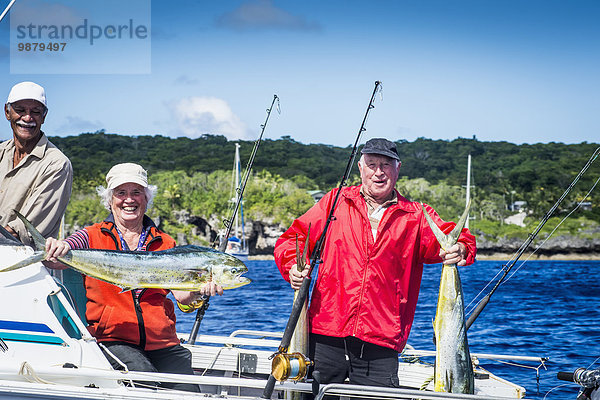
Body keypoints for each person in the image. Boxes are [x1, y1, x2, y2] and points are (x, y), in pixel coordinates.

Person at [274, 138, 477, 389]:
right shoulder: (334, 202)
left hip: (381, 339)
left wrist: (461, 248)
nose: (378, 172)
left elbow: (457, 240)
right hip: (326, 333)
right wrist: (292, 265)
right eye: (371, 164)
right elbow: (293, 238)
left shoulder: (416, 216)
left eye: (385, 165)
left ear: (397, 169)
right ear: (361, 168)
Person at [44, 162, 223, 392]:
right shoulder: (90, 236)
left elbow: (182, 297)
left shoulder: (166, 244)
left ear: (146, 198)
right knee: (144, 382)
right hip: (112, 340)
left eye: (137, 192)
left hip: (163, 342)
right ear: (109, 200)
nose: (129, 199)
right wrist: (55, 248)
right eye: (121, 193)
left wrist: (199, 290)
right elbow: (60, 256)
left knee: (188, 393)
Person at [0, 81, 72, 247]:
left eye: (35, 112)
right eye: (20, 110)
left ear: (44, 116)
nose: (27, 118)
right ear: (7, 112)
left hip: (27, 265)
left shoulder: (57, 164)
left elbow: (21, 231)